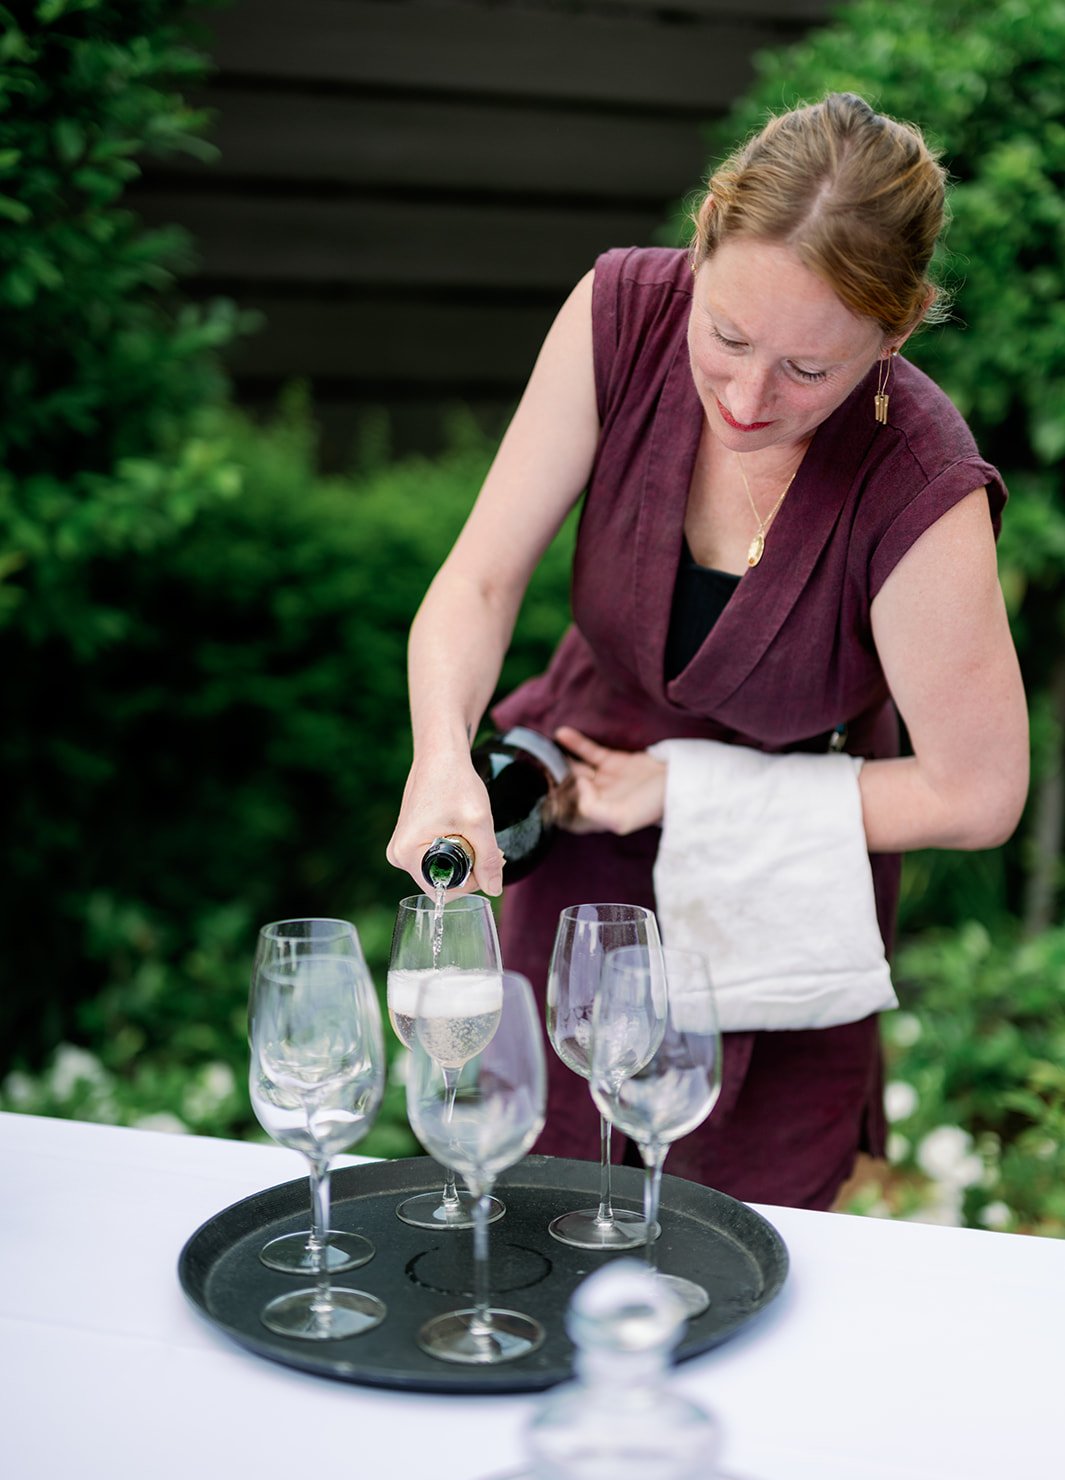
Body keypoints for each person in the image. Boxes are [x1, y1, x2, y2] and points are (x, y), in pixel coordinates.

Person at [387, 92, 1028, 1209]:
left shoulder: (922, 484)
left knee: (736, 1256)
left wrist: (693, 790)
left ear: (900, 325)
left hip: (777, 906)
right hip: (578, 826)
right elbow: (479, 581)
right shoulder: (622, 313)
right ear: (704, 235)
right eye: (727, 337)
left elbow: (979, 793)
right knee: (539, 1212)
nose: (744, 397)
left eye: (807, 372)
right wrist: (442, 754)